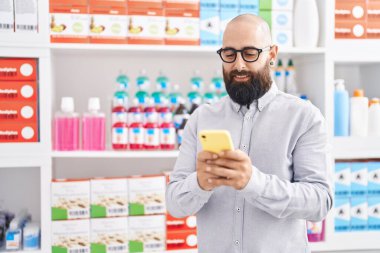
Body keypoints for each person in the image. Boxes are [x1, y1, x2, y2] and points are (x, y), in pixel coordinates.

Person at [166, 14, 333, 253]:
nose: (239, 65)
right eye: (230, 54)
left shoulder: (304, 117)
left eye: (250, 53)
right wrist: (200, 183)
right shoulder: (202, 118)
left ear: (272, 55)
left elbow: (320, 202)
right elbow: (174, 203)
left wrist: (253, 183)